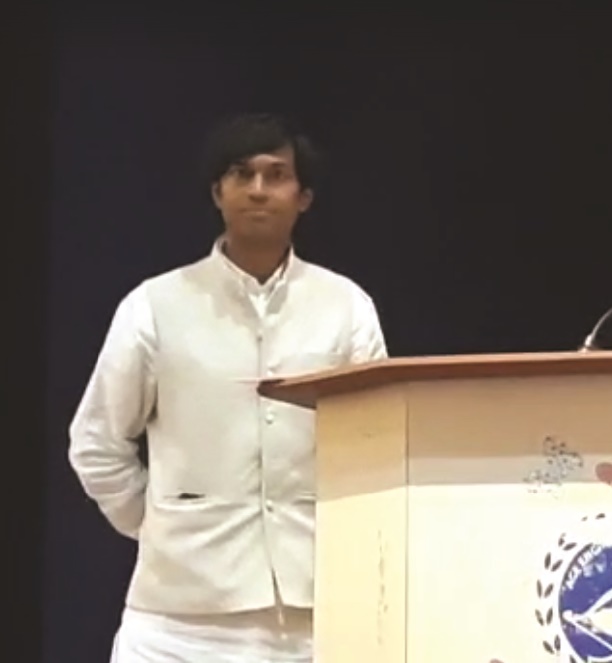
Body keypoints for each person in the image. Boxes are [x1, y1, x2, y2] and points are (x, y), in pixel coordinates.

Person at [68, 113, 388, 662]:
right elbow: (96, 444)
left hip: (313, 614)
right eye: (242, 174)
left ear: (303, 197)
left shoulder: (346, 307)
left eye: (276, 175)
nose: (258, 189)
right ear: (218, 192)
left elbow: (377, 444)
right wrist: (158, 525)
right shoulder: (155, 305)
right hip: (175, 624)